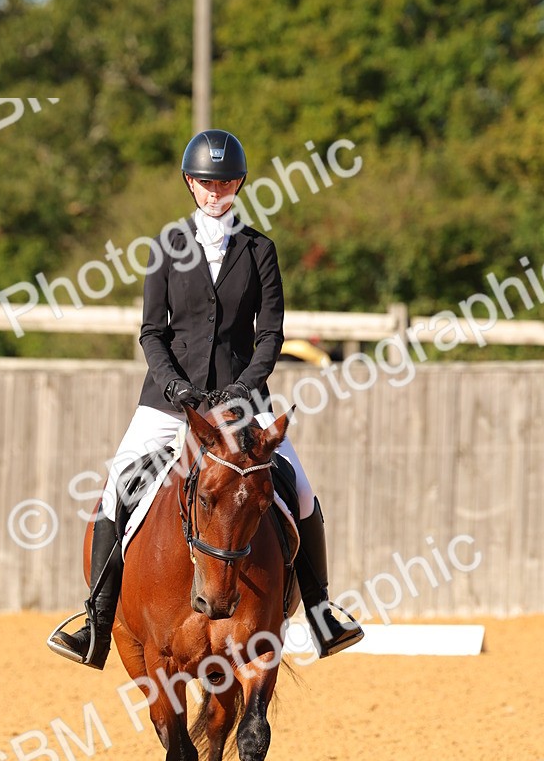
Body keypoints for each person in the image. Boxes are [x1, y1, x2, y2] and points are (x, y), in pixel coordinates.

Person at [48, 129, 363, 669]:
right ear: (190, 183)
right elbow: (152, 331)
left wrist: (243, 386)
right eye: (206, 182)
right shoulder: (166, 245)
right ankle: (95, 623)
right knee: (117, 487)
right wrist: (175, 386)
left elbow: (270, 335)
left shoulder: (260, 249)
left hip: (242, 403)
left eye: (225, 182)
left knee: (301, 489)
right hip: (169, 401)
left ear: (238, 184)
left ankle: (320, 612)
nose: (216, 192)